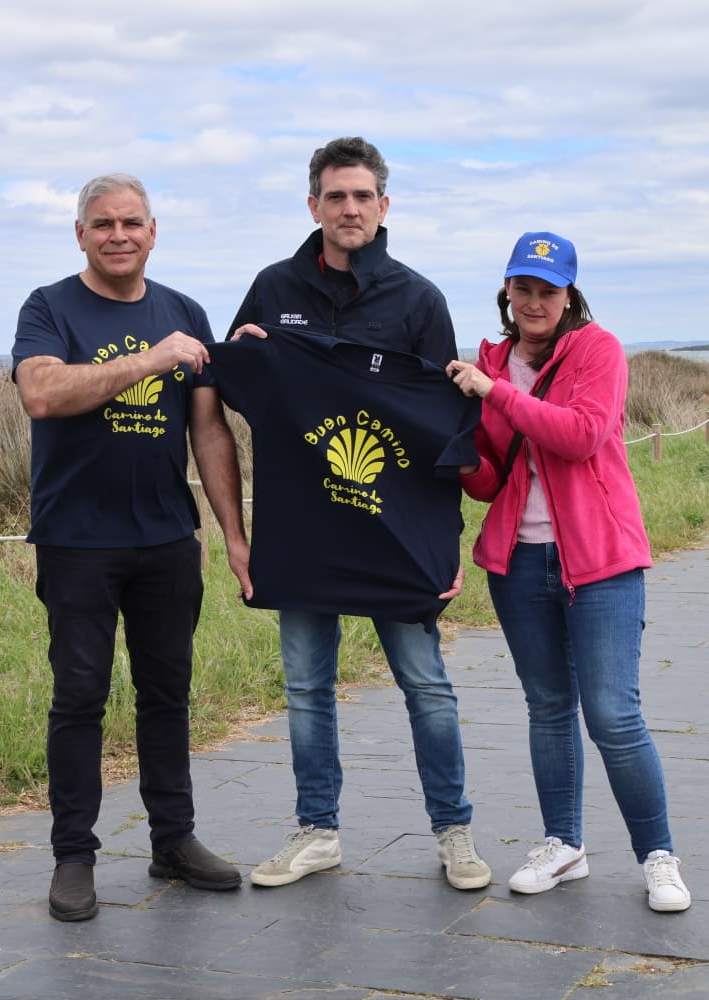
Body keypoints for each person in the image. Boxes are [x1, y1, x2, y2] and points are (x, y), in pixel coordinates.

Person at [229, 136, 490, 891]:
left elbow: (443, 432)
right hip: (303, 530)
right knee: (306, 687)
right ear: (314, 205)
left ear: (384, 204)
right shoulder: (273, 288)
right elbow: (235, 390)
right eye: (336, 196)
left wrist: (446, 545)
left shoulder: (418, 300)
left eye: (363, 196)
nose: (350, 208)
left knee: (426, 683)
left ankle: (454, 832)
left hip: (393, 532)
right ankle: (318, 831)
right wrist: (246, 352)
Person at [12, 172, 253, 921]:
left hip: (166, 539)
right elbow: (43, 393)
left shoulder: (184, 312)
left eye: (131, 223)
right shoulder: (49, 307)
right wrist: (150, 359)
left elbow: (208, 431)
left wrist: (234, 536)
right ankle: (74, 858)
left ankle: (173, 841)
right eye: (103, 224)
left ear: (153, 232)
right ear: (80, 234)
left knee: (168, 694)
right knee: (79, 697)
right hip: (77, 541)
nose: (118, 235)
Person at [446, 231, 691, 912]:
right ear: (506, 290)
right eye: (522, 288)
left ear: (569, 295)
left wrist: (496, 393)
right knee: (549, 707)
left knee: (613, 715)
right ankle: (564, 845)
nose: (533, 302)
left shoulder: (597, 350)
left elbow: (580, 436)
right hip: (518, 562)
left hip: (601, 561)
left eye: (547, 291)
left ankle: (658, 857)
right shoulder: (493, 361)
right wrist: (456, 452)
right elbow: (491, 481)